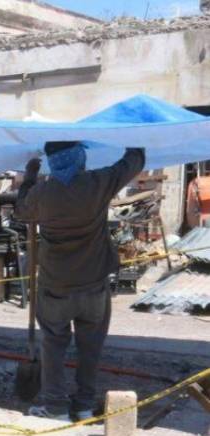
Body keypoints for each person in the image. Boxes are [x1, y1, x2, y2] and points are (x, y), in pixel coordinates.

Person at [15, 142, 145, 421]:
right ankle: (84, 406)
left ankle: (56, 407)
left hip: (55, 288)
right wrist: (135, 136)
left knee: (53, 345)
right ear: (80, 158)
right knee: (90, 348)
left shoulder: (42, 192)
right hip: (93, 286)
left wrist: (30, 172)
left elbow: (21, 211)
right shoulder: (98, 183)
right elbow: (133, 162)